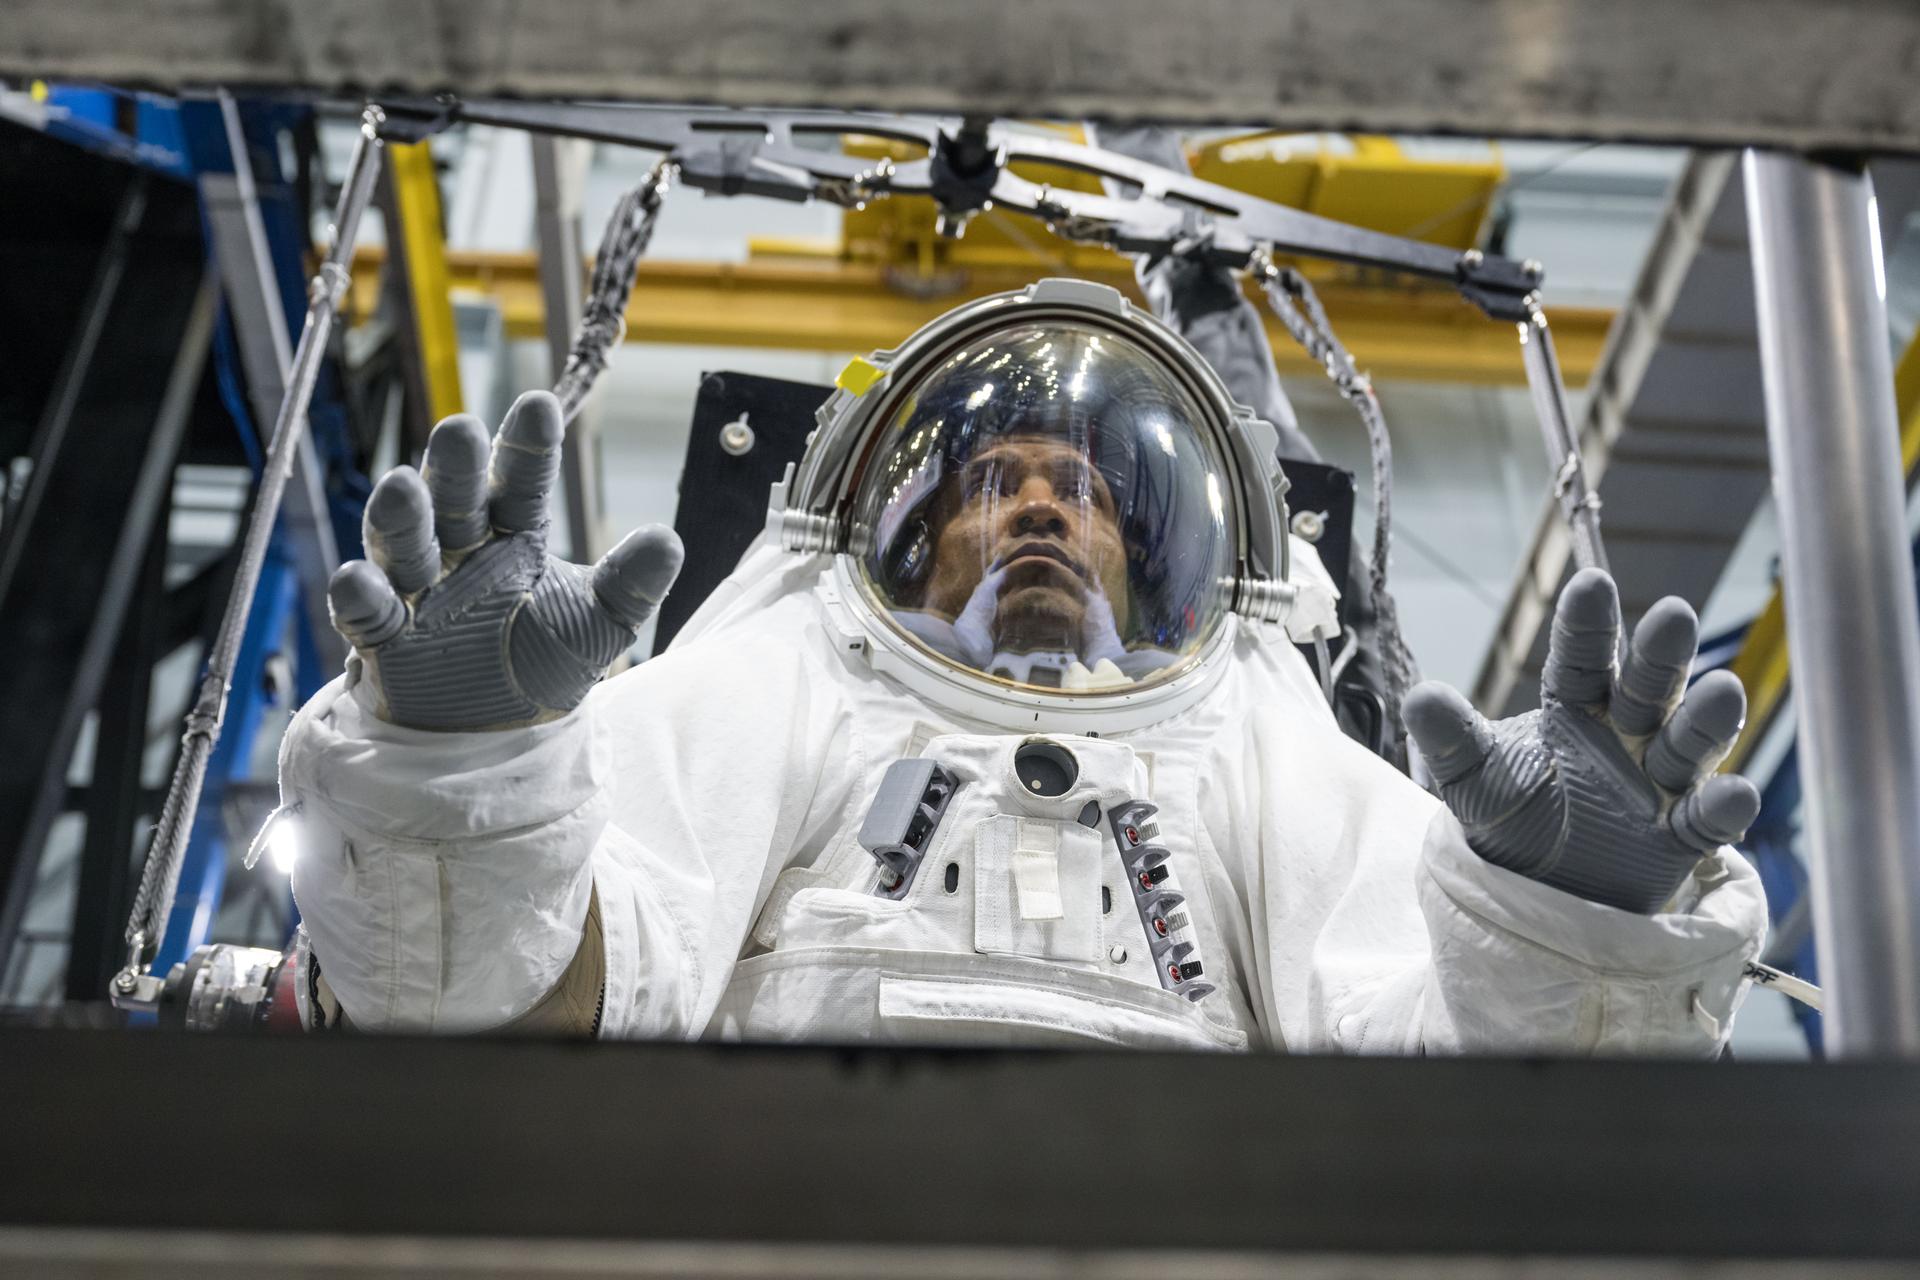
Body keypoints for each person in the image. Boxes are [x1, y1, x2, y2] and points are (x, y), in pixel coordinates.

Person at [284, 278, 1766, 1052]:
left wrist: (1568, 938)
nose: (1049, 502)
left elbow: (1442, 1124)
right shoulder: (798, 676)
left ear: (1148, 555)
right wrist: (454, 784)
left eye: (1091, 493)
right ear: (916, 535)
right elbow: (525, 1020)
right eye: (999, 482)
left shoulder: (1253, 745)